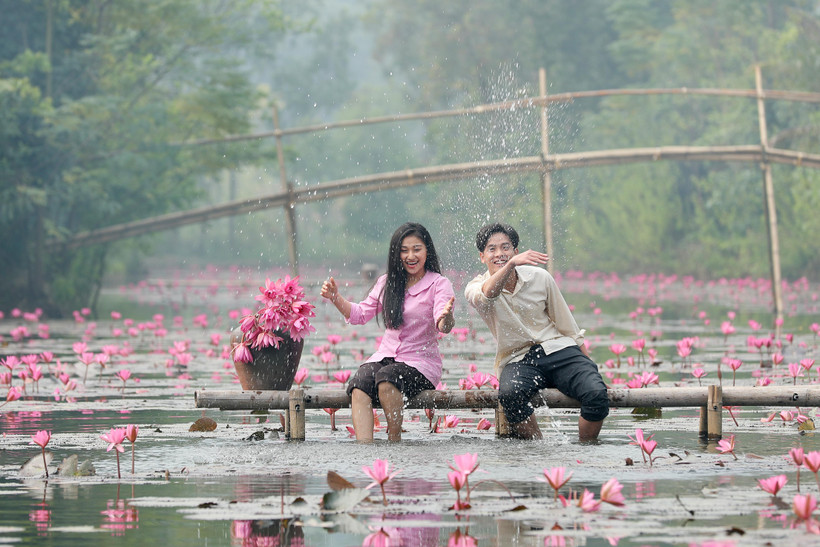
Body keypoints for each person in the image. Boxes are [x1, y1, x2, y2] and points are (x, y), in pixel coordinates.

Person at [464, 223, 608, 440]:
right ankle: (537, 448)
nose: (499, 253)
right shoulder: (475, 287)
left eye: (506, 247)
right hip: (518, 359)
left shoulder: (540, 277)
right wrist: (510, 265)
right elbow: (488, 296)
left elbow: (568, 326)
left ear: (516, 251)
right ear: (482, 257)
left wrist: (590, 367)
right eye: (492, 249)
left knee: (596, 393)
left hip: (559, 349)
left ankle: (585, 450)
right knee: (510, 395)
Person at [321, 222, 455, 442]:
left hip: (421, 364)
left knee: (387, 379)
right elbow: (359, 314)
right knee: (360, 382)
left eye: (417, 249)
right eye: (404, 250)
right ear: (396, 254)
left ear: (427, 251)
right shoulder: (386, 282)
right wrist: (335, 297)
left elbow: (443, 324)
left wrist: (447, 318)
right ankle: (365, 447)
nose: (410, 256)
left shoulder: (439, 284)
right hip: (386, 357)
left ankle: (394, 443)